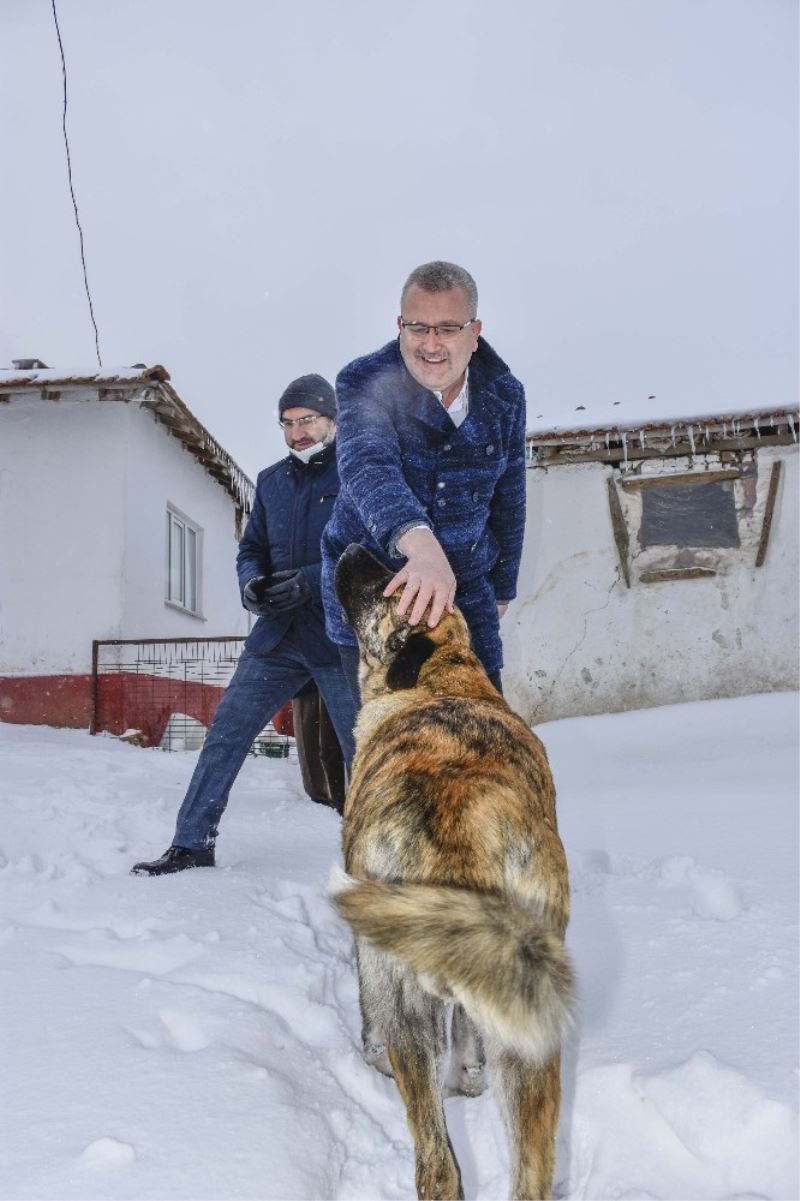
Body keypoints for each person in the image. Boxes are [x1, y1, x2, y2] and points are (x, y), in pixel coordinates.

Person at [132, 375, 357, 876]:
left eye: (308, 421)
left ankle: (381, 859)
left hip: (338, 637)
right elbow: (251, 548)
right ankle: (192, 843)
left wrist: (310, 580)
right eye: (288, 423)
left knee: (363, 752)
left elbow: (367, 554)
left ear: (332, 420)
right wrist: (252, 583)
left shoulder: (358, 473)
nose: (297, 432)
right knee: (226, 735)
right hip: (276, 637)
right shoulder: (273, 481)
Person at [322, 260, 527, 696]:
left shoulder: (505, 395)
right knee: (383, 750)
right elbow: (368, 465)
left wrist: (503, 586)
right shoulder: (364, 380)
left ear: (475, 332)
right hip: (378, 594)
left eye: (448, 328)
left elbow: (510, 493)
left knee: (480, 741)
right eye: (418, 327)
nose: (431, 344)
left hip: (466, 596)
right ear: (399, 325)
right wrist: (421, 547)